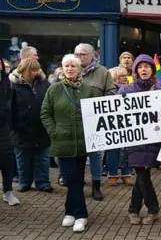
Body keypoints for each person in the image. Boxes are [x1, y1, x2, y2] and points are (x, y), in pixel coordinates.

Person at [41, 54, 98, 232]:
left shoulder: (87, 89)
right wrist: (54, 131)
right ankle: (81, 214)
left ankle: (70, 212)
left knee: (77, 179)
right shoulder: (54, 89)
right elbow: (45, 112)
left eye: (73, 66)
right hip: (62, 143)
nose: (70, 69)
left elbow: (97, 113)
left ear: (79, 68)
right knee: (71, 179)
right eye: (67, 66)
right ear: (63, 68)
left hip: (82, 144)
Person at [119, 54, 161, 225]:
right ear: (135, 70)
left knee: (143, 174)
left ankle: (133, 210)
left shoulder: (158, 91)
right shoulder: (126, 90)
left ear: (152, 70)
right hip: (133, 140)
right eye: (140, 67)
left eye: (147, 66)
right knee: (141, 173)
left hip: (153, 139)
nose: (143, 70)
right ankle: (152, 208)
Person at [74, 43, 116, 201]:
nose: (79, 58)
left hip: (94, 121)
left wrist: (101, 103)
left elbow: (111, 91)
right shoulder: (70, 69)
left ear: (92, 55)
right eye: (77, 54)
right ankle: (76, 183)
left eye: (82, 54)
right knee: (76, 154)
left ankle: (96, 185)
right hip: (74, 120)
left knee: (96, 155)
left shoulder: (103, 72)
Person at [10, 58, 53, 193]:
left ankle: (43, 182)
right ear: (26, 71)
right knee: (23, 159)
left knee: (43, 158)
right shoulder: (13, 85)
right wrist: (15, 126)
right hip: (21, 129)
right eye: (34, 70)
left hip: (41, 128)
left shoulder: (44, 83)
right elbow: (9, 107)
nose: (37, 72)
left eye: (38, 69)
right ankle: (24, 182)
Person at [106, 67, 133, 186]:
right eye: (122, 76)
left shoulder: (131, 89)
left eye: (126, 75)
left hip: (127, 123)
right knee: (113, 151)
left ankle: (126, 173)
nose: (125, 77)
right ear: (116, 77)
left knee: (127, 149)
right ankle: (112, 174)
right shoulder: (109, 90)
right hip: (113, 124)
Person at [0, 58, 20, 206]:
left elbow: (12, 104)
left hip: (4, 128)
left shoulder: (7, 83)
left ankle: (8, 191)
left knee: (7, 160)